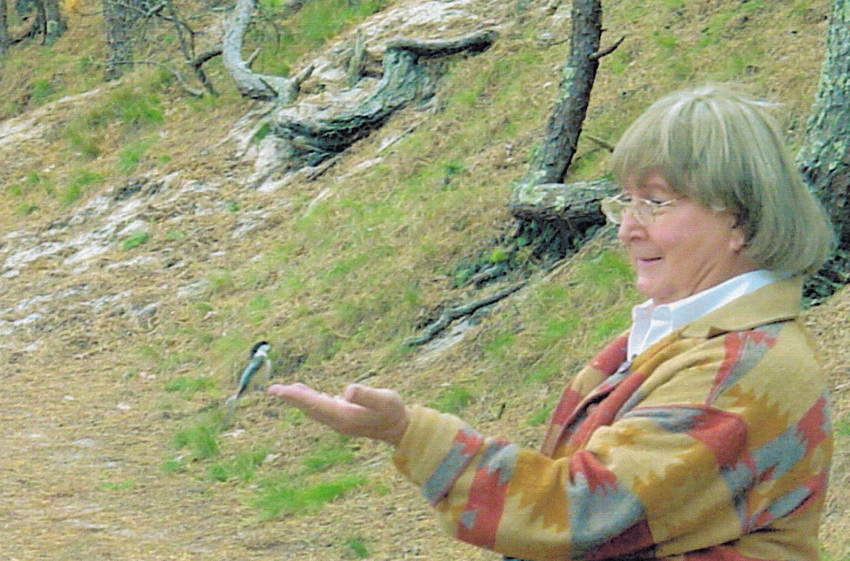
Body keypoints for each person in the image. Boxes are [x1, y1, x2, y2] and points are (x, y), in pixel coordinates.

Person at [268, 85, 834, 560]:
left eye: (655, 203)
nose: (626, 230)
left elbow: (579, 513)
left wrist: (407, 432)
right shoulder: (678, 340)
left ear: (737, 218)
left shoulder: (743, 369)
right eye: (625, 202)